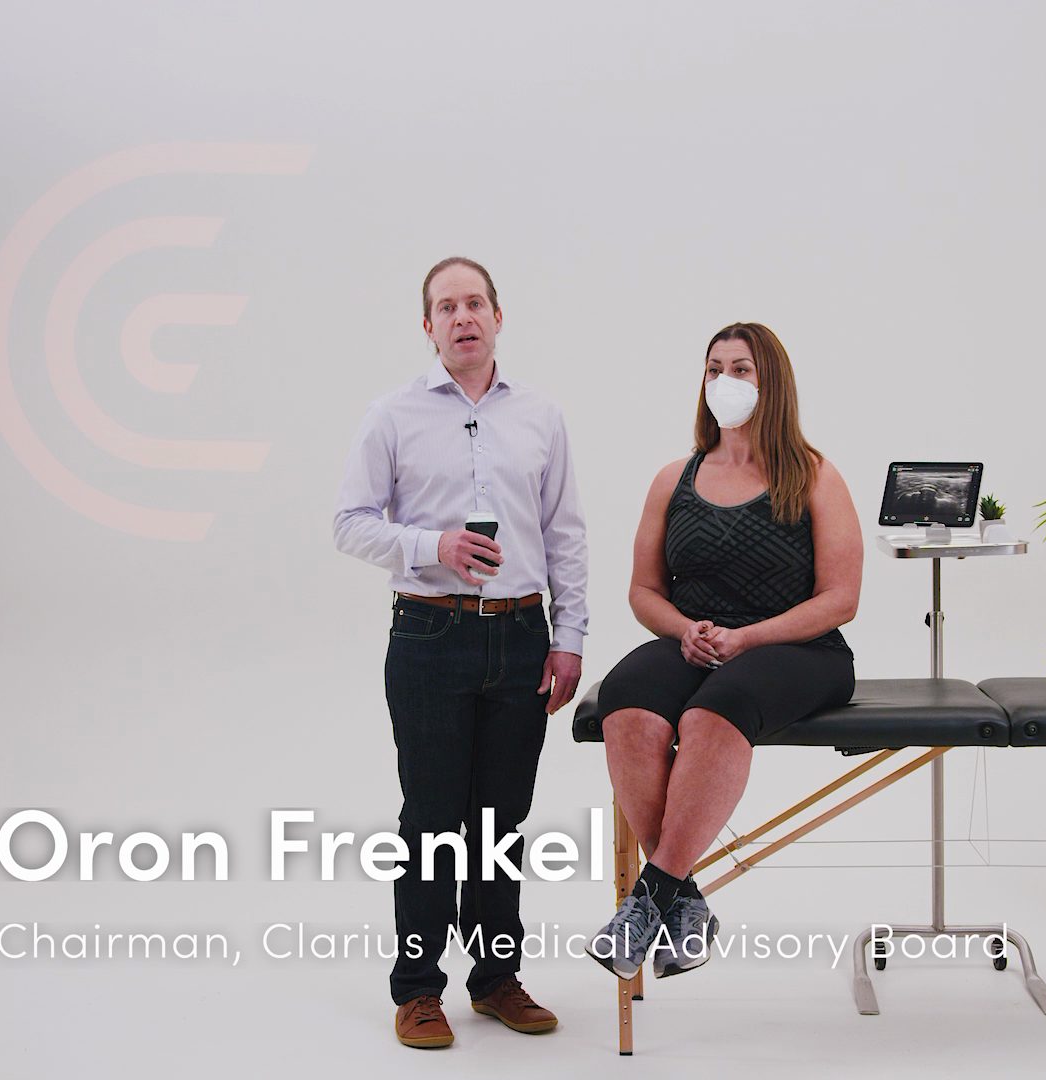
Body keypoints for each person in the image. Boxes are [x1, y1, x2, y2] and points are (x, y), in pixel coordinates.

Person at [333, 256, 587, 1049]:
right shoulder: (392, 415)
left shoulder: (541, 415)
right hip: (429, 633)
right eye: (447, 307)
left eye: (475, 302)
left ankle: (496, 978)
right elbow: (349, 522)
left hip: (521, 636)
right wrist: (430, 545)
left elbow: (564, 533)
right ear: (428, 327)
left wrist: (570, 637)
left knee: (501, 822)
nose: (463, 317)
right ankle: (417, 990)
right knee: (433, 819)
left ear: (498, 317)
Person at [588, 322, 861, 980]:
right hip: (700, 642)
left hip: (801, 648)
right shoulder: (673, 479)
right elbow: (644, 592)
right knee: (625, 701)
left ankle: (649, 898)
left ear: (772, 383)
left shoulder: (814, 475)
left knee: (715, 710)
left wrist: (748, 638)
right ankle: (683, 901)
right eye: (714, 369)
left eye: (741, 370)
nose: (724, 382)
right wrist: (684, 629)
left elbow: (840, 598)